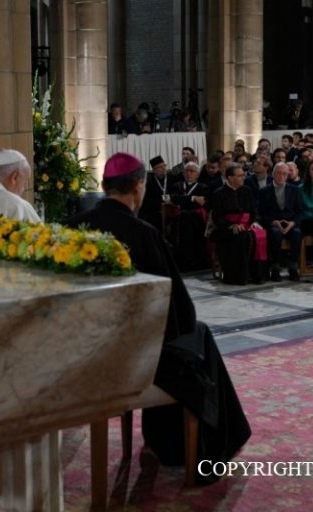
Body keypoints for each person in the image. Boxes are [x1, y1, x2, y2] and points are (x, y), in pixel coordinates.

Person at [68, 153, 251, 481]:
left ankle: (163, 439)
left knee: (193, 339)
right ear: (138, 187)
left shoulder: (72, 229)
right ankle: (200, 445)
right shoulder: (144, 234)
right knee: (198, 339)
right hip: (135, 358)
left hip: (85, 353)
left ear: (104, 186)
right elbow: (180, 310)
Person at [210, 164, 266, 285]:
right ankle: (239, 276)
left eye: (243, 175)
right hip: (226, 229)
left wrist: (254, 222)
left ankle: (257, 275)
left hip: (246, 225)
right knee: (241, 236)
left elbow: (254, 211)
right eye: (240, 175)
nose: (243, 177)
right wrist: (232, 225)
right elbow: (217, 218)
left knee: (260, 234)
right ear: (230, 178)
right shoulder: (219, 193)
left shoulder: (247, 190)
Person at [258, 162, 304, 281]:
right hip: (273, 222)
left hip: (290, 222)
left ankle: (292, 266)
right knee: (275, 233)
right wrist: (273, 222)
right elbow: (261, 213)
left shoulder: (294, 190)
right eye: (279, 173)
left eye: (284, 174)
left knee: (297, 233)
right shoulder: (264, 191)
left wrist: (293, 223)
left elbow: (300, 211)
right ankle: (275, 267)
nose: (281, 176)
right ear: (273, 174)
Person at [167, 161, 210, 270]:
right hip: (179, 218)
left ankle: (196, 261)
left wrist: (185, 201)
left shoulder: (203, 187)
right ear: (183, 173)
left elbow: (202, 202)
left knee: (188, 216)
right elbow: (174, 198)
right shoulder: (177, 186)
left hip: (196, 220)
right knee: (184, 216)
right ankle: (184, 261)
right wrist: (193, 198)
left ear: (198, 174)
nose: (189, 173)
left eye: (192, 171)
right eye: (186, 171)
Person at [139, 155, 179, 233]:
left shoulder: (173, 178)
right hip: (155, 210)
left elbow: (176, 193)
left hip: (171, 207)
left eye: (164, 165)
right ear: (154, 170)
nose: (163, 168)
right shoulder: (149, 181)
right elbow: (147, 200)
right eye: (160, 167)